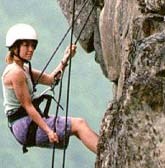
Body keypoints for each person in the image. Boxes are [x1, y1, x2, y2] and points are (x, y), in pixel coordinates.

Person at [2, 23, 99, 154]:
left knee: (77, 126)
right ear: (15, 47)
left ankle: (106, 154)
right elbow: (28, 106)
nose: (31, 49)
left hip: (24, 123)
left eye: (32, 46)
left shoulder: (23, 69)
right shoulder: (15, 73)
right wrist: (48, 131)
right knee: (79, 124)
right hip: (25, 124)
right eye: (26, 45)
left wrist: (65, 59)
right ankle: (108, 156)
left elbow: (50, 80)